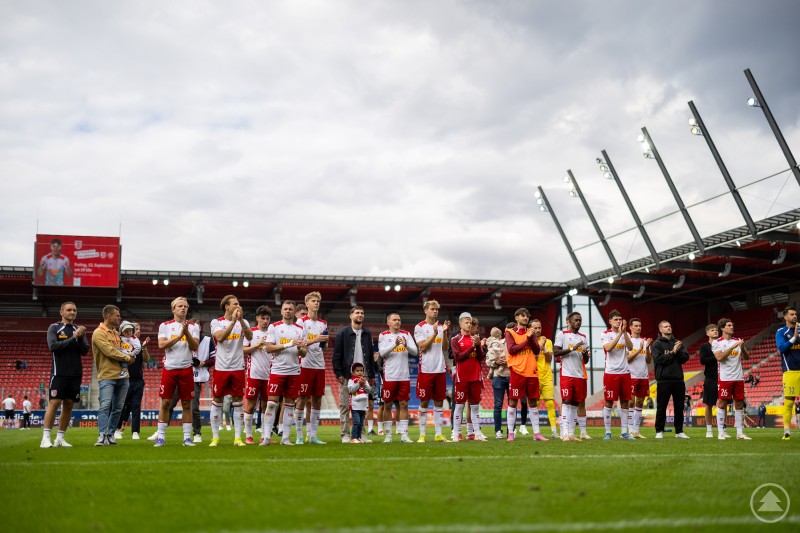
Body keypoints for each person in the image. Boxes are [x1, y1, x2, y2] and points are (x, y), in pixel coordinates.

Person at [42, 301, 89, 447]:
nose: (72, 312)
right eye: (69, 310)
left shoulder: (78, 329)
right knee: (54, 403)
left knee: (69, 404)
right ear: (61, 312)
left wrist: (81, 337)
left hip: (75, 373)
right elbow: (53, 346)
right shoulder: (54, 327)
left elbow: (85, 350)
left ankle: (60, 439)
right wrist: (73, 337)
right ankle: (45, 438)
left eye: (74, 310)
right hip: (59, 373)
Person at [153, 298, 200, 447]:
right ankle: (161, 437)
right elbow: (161, 345)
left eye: (185, 306)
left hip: (186, 369)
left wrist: (186, 333)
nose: (183, 308)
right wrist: (180, 336)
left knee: (187, 404)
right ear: (173, 309)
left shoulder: (193, 327)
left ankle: (187, 438)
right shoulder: (165, 326)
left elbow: (195, 346)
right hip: (169, 369)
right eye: (180, 306)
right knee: (166, 403)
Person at [262, 300, 306, 446]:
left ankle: (285, 438)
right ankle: (266, 437)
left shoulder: (300, 328)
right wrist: (289, 344)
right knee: (272, 404)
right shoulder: (274, 327)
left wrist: (300, 349)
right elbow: (268, 348)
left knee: (289, 405)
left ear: (294, 312)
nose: (288, 311)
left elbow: (304, 353)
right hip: (277, 370)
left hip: (294, 371)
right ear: (281, 311)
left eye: (290, 309)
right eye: (285, 309)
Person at [210, 295, 252, 447]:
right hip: (221, 368)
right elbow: (220, 337)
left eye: (239, 303)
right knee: (217, 401)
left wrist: (240, 321)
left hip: (238, 367)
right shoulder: (217, 322)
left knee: (238, 402)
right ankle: (215, 437)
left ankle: (238, 438)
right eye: (235, 303)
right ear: (227, 307)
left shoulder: (244, 322)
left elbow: (250, 336)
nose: (238, 306)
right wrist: (233, 321)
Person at [91, 305, 134, 446]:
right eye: (117, 315)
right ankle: (102, 435)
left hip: (123, 376)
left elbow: (123, 348)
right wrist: (127, 358)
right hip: (107, 376)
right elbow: (109, 351)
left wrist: (133, 351)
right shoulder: (99, 332)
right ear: (108, 316)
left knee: (118, 408)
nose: (119, 317)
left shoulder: (116, 333)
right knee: (105, 406)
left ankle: (110, 434)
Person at [333, 306, 377, 443]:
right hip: (347, 375)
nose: (360, 315)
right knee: (345, 406)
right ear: (350, 315)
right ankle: (345, 434)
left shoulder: (367, 333)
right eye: (357, 313)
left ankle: (361, 435)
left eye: (362, 313)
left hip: (363, 376)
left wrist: (371, 374)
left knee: (363, 407)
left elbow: (369, 356)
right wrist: (338, 373)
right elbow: (336, 356)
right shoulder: (342, 334)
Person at [413, 300, 451, 443]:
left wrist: (444, 333)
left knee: (439, 402)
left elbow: (445, 348)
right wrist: (435, 333)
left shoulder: (441, 327)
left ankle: (438, 434)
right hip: (426, 370)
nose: (435, 311)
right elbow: (423, 347)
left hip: (440, 369)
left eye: (437, 309)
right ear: (426, 310)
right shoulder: (420, 327)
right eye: (432, 309)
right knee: (424, 401)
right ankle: (422, 435)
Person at [504, 308, 545, 442]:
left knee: (532, 402)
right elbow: (511, 349)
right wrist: (526, 341)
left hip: (532, 372)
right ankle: (511, 433)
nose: (526, 318)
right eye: (523, 316)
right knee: (513, 401)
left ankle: (537, 433)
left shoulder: (531, 332)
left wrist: (531, 338)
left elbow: (537, 350)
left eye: (527, 316)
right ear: (517, 318)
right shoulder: (510, 332)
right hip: (517, 372)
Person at [378, 312, 418, 443]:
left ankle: (404, 435)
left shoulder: (406, 334)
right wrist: (394, 344)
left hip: (404, 376)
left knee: (404, 404)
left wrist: (405, 345)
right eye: (394, 320)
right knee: (387, 405)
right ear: (388, 322)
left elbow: (415, 352)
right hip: (390, 376)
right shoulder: (383, 335)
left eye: (399, 320)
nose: (397, 322)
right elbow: (382, 353)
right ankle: (388, 435)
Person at [297, 292, 330, 445]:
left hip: (320, 365)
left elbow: (323, 346)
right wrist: (316, 339)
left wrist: (324, 342)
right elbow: (300, 343)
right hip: (305, 364)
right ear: (307, 304)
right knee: (303, 399)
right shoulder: (301, 322)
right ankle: (298, 435)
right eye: (313, 301)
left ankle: (313, 435)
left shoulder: (323, 323)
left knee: (317, 400)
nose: (316, 303)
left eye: (318, 301)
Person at [449, 312, 486, 442]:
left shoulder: (475, 338)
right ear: (460, 324)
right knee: (459, 406)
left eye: (470, 322)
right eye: (466, 322)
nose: (469, 324)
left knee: (475, 407)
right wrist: (472, 347)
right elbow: (458, 357)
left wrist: (478, 347)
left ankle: (477, 433)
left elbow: (481, 358)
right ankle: (456, 433)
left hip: (475, 377)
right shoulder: (455, 340)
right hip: (462, 377)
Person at [712, 318, 750, 440]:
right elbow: (720, 357)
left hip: (738, 377)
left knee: (739, 404)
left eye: (732, 325)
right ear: (722, 328)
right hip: (725, 378)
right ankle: (720, 432)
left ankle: (740, 433)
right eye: (729, 325)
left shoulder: (738, 341)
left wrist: (742, 347)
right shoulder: (717, 342)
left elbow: (746, 357)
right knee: (722, 403)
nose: (731, 327)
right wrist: (733, 347)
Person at [554, 312, 589, 441]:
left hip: (579, 374)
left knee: (575, 403)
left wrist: (586, 354)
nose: (578, 322)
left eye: (580, 320)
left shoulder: (583, 338)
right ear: (568, 321)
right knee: (566, 401)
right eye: (576, 320)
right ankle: (564, 433)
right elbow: (555, 352)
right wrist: (572, 349)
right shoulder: (562, 334)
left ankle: (572, 433)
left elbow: (585, 361)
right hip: (566, 373)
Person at [651, 320, 690, 439]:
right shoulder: (657, 344)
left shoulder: (678, 343)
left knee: (679, 407)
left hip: (678, 379)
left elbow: (685, 358)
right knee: (662, 406)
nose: (669, 328)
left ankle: (679, 431)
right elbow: (660, 360)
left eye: (669, 326)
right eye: (666, 326)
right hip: (663, 380)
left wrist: (677, 352)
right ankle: (659, 431)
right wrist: (673, 352)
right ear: (660, 330)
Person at [600, 310, 634, 440]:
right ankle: (608, 432)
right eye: (616, 319)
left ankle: (624, 432)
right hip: (611, 372)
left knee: (625, 402)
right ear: (610, 321)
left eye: (620, 319)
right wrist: (619, 334)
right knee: (609, 402)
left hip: (625, 372)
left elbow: (630, 348)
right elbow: (608, 348)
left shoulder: (626, 334)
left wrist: (624, 333)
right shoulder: (605, 334)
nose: (618, 321)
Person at [243, 306, 273, 445]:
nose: (265, 321)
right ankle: (248, 435)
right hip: (253, 374)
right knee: (250, 405)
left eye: (267, 319)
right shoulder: (251, 333)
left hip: (270, 375)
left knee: (266, 406)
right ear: (257, 318)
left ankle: (265, 436)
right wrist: (257, 345)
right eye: (263, 318)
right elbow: (243, 350)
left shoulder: (273, 332)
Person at [115, 321, 149, 440]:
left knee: (136, 406)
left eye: (138, 328)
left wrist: (144, 348)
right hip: (124, 378)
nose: (138, 330)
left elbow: (146, 360)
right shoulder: (120, 342)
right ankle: (117, 429)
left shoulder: (139, 344)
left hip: (138, 379)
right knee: (122, 405)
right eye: (136, 328)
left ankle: (135, 432)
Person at [530, 319, 558, 439]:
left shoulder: (548, 342)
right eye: (535, 328)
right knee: (534, 404)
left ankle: (554, 431)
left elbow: (549, 359)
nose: (537, 330)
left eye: (539, 328)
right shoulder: (528, 342)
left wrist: (544, 348)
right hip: (534, 376)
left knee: (550, 403)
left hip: (546, 377)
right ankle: (536, 432)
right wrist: (539, 347)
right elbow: (532, 359)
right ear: (531, 329)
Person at [776, 307, 800, 441]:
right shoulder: (781, 332)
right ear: (785, 317)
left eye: (795, 314)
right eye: (791, 314)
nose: (794, 316)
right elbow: (781, 348)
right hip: (790, 371)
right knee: (789, 401)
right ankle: (786, 431)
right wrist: (794, 338)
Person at [190, 319, 215, 442]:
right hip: (182, 374)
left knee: (194, 407)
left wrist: (203, 363)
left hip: (196, 376)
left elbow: (214, 359)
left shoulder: (208, 340)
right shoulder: (185, 338)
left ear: (200, 327)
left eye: (196, 326)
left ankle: (197, 433)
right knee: (170, 404)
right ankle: (160, 432)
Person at [626, 318, 651, 439]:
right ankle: (630, 430)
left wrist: (646, 348)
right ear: (630, 327)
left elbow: (649, 360)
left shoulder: (645, 342)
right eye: (635, 326)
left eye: (640, 325)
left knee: (640, 402)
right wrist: (639, 350)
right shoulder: (628, 341)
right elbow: (628, 359)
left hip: (643, 375)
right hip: (631, 375)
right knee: (630, 402)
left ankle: (636, 431)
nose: (638, 328)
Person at [485, 327, 509, 439]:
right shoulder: (495, 344)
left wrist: (507, 362)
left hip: (510, 375)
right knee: (498, 405)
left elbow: (518, 360)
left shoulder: (512, 345)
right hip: (497, 377)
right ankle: (498, 431)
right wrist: (495, 362)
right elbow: (488, 361)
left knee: (512, 405)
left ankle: (511, 430)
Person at [698, 323, 719, 438]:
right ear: (707, 333)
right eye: (712, 330)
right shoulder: (704, 347)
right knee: (709, 404)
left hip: (722, 376)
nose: (715, 331)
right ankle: (709, 430)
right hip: (710, 377)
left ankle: (722, 428)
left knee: (723, 403)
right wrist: (716, 356)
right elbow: (703, 360)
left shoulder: (722, 344)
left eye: (716, 330)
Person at [348, 362, 374, 443]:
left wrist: (364, 384)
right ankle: (353, 438)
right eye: (357, 371)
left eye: (361, 370)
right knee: (357, 422)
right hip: (355, 405)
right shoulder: (351, 380)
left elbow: (370, 390)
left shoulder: (365, 380)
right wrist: (359, 383)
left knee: (361, 423)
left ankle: (359, 438)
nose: (360, 372)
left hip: (363, 405)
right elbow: (351, 390)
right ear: (353, 372)